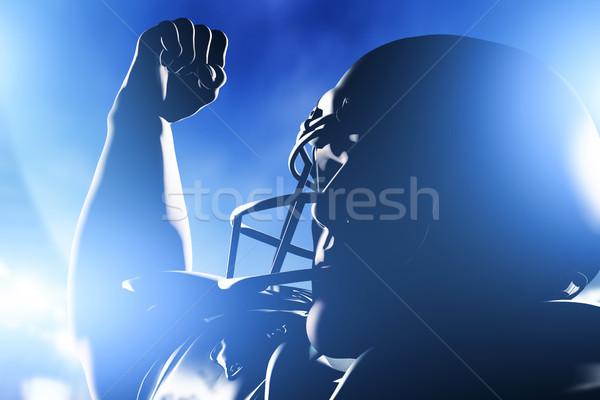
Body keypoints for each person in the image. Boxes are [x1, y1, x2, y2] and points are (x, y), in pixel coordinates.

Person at [70, 17, 600, 399]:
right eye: (331, 171)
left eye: (383, 172)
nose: (325, 212)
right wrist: (140, 119)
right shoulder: (274, 360)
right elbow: (122, 308)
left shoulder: (549, 366)